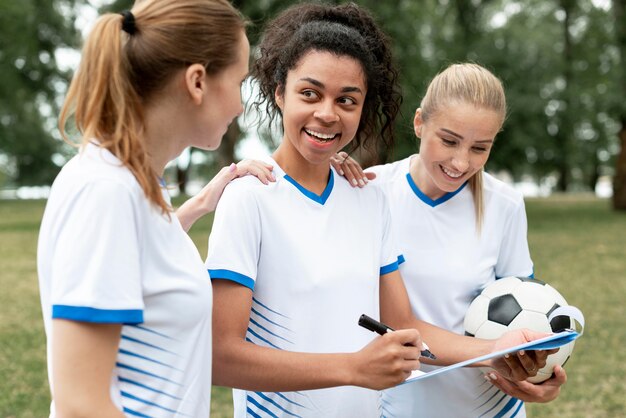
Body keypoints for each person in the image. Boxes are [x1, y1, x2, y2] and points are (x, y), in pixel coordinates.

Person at [206, 5, 554, 418]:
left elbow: (405, 327)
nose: (327, 113)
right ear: (280, 92)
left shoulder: (368, 197)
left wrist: (496, 351)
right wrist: (352, 368)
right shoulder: (249, 198)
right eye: (310, 93)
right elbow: (219, 356)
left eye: (347, 99)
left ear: (364, 106)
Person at [36, 1, 274, 416]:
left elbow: (140, 264)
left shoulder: (134, 184)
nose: (241, 107)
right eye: (239, 83)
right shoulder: (106, 192)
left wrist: (201, 202)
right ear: (197, 81)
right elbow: (81, 403)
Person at [332, 63, 567, 417]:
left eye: (479, 148)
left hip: (489, 407)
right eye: (449, 140)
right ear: (419, 123)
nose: (461, 162)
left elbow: (526, 314)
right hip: (397, 406)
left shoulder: (504, 204)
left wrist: (537, 379)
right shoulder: (370, 191)